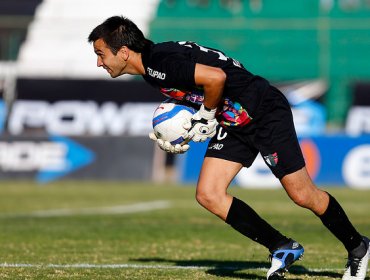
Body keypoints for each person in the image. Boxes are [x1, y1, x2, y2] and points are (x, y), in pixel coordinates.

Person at [88, 16, 369, 279]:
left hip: (263, 111)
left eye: (101, 54)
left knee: (302, 194)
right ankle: (282, 247)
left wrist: (207, 115)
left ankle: (358, 247)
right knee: (209, 194)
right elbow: (210, 82)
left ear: (123, 51)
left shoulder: (159, 63)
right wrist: (181, 131)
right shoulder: (154, 65)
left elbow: (216, 78)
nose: (100, 63)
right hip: (234, 118)